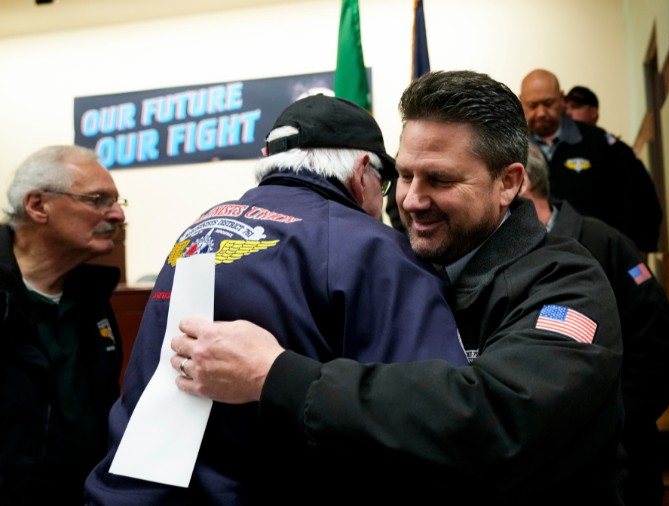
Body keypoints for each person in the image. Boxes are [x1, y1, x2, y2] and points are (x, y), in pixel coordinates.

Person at [166, 70, 626, 502]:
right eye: (404, 175)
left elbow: (494, 419)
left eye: (439, 179)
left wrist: (275, 377)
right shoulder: (403, 265)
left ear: (507, 183)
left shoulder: (567, 285)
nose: (410, 199)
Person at [84, 94, 469, 504]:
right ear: (362, 173)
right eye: (387, 184)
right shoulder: (375, 250)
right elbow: (437, 417)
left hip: (132, 490)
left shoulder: (199, 228)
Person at [520, 141, 669, 505]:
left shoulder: (605, 243)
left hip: (620, 471)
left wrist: (599, 423)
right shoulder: (505, 255)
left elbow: (662, 356)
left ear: (519, 185)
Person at [0, 145, 126, 505]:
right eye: (98, 199)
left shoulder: (93, 297)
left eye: (117, 201)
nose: (116, 214)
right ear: (38, 205)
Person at [519, 68, 663, 254]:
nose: (541, 113)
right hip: (532, 259)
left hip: (597, 256)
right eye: (533, 105)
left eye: (548, 103)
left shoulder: (601, 144)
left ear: (562, 99)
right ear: (521, 102)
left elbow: (641, 199)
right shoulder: (512, 151)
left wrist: (630, 251)